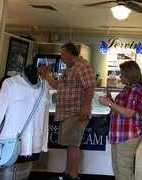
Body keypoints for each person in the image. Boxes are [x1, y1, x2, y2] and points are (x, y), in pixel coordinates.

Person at [39, 42, 95, 180]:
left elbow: (90, 87)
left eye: (63, 53)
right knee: (70, 144)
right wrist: (46, 75)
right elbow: (59, 86)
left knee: (73, 145)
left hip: (75, 112)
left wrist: (86, 107)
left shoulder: (82, 66)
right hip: (67, 113)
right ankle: (68, 173)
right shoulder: (69, 69)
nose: (61, 56)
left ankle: (72, 175)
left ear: (71, 53)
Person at [99, 61, 142, 180]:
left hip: (127, 135)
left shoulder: (135, 89)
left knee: (124, 172)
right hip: (121, 135)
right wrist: (111, 101)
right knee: (119, 169)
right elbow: (123, 109)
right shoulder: (128, 89)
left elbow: (129, 113)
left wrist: (109, 103)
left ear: (129, 75)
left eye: (122, 74)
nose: (120, 77)